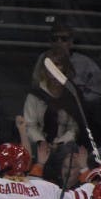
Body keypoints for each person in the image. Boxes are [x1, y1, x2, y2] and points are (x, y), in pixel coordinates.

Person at [22, 52, 82, 183]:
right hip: (38, 142)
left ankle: (65, 187)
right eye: (52, 73)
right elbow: (30, 125)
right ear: (45, 72)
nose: (55, 78)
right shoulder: (36, 94)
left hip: (62, 143)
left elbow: (74, 128)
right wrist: (41, 141)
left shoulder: (72, 95)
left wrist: (59, 142)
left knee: (71, 151)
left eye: (59, 74)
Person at [34, 24, 101, 106]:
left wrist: (81, 100)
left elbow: (99, 87)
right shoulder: (44, 59)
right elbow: (36, 83)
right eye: (54, 39)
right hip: (48, 103)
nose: (59, 42)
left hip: (79, 106)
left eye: (64, 39)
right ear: (50, 42)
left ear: (71, 42)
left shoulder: (85, 62)